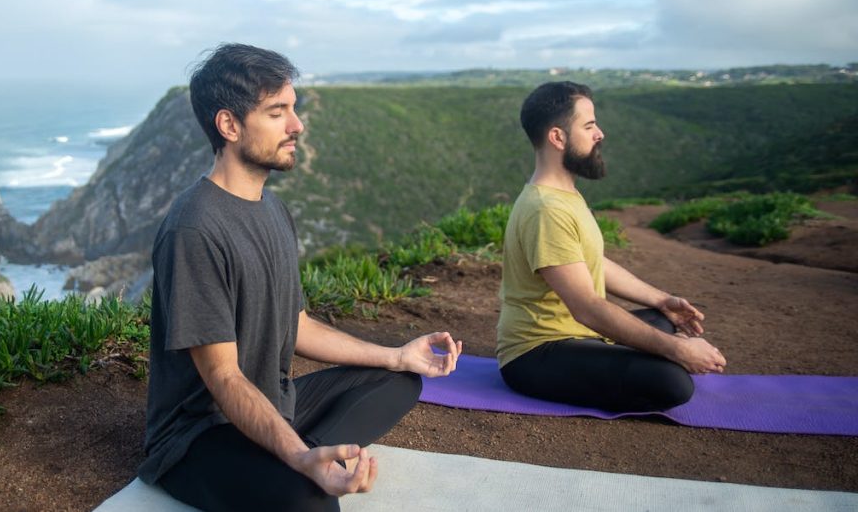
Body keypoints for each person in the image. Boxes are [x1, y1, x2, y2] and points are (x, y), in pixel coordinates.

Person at [138, 43, 463, 512]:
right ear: (229, 125)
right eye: (277, 112)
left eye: (294, 109)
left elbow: (299, 325)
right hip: (200, 434)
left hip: (274, 401)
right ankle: (292, 457)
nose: (297, 125)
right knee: (310, 502)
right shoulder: (195, 229)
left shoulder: (272, 208)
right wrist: (299, 455)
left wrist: (397, 355)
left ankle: (286, 452)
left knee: (398, 381)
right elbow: (224, 377)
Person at [496, 81, 726, 413]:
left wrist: (661, 299)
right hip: (536, 354)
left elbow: (594, 262)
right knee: (672, 383)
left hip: (578, 336)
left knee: (661, 321)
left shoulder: (565, 195)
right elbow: (587, 307)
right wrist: (676, 350)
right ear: (558, 138)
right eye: (589, 126)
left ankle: (652, 342)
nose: (600, 133)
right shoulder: (546, 209)